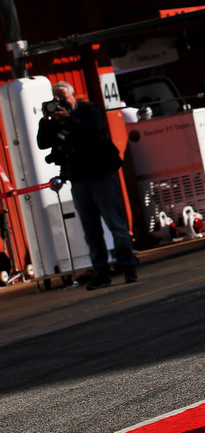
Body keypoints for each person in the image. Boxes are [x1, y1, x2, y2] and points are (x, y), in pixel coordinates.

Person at [36, 81, 138, 290]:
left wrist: (69, 119)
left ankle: (129, 268)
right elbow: (43, 143)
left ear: (74, 96)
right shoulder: (57, 120)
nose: (61, 102)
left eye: (64, 98)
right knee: (91, 232)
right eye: (56, 99)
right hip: (79, 180)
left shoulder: (89, 111)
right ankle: (101, 274)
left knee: (116, 225)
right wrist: (47, 120)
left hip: (101, 177)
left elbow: (92, 132)